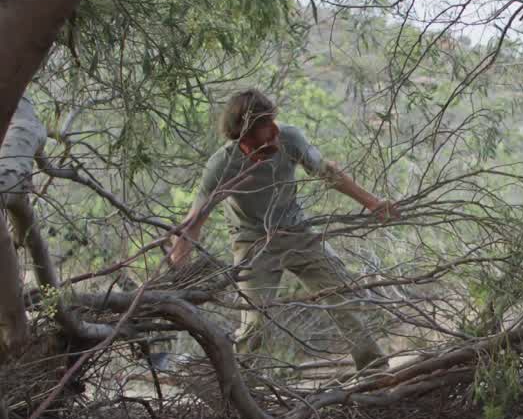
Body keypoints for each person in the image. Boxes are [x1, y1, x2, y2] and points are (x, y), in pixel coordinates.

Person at [167, 89, 397, 373]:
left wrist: (373, 204)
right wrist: (176, 275)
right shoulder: (222, 165)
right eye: (265, 136)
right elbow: (192, 223)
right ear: (242, 138)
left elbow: (328, 172)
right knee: (255, 323)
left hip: (297, 231)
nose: (274, 137)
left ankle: (375, 371)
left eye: (273, 126)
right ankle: (240, 386)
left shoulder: (290, 137)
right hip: (253, 242)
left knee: (342, 296)